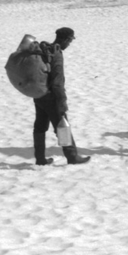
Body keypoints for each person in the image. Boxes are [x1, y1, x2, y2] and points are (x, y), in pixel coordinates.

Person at [33, 27, 90, 166]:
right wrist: (62, 101)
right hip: (52, 97)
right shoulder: (56, 54)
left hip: (39, 94)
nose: (69, 44)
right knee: (62, 125)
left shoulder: (44, 51)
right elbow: (57, 82)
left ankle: (40, 158)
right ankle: (72, 156)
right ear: (65, 39)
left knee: (40, 126)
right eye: (70, 41)